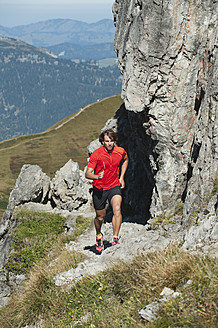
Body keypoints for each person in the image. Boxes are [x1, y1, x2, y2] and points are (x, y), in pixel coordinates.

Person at [85, 129, 128, 253]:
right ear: (102, 142)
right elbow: (87, 173)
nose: (109, 144)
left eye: (111, 141)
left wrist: (122, 177)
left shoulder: (120, 151)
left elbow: (125, 160)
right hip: (99, 188)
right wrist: (97, 177)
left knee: (117, 209)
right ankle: (99, 235)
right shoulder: (96, 155)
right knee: (100, 217)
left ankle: (115, 238)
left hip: (114, 186)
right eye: (107, 141)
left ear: (115, 141)